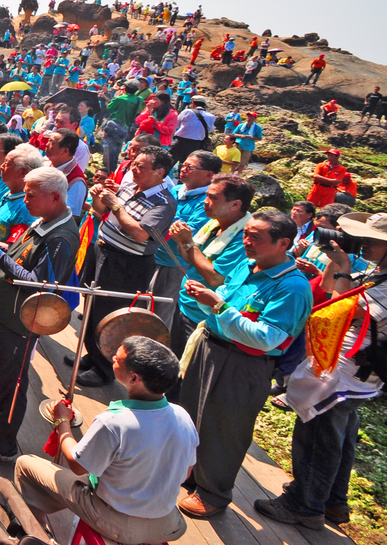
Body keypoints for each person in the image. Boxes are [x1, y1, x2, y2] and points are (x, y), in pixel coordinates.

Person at [256, 213, 387, 528]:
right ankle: (333, 503)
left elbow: (343, 309)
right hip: (349, 368)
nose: (364, 244)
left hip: (349, 372)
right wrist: (337, 265)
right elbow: (331, 290)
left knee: (318, 436)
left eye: (374, 241)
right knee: (339, 436)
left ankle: (304, 505)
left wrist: (345, 268)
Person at [176, 210, 313, 518]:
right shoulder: (247, 265)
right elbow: (222, 298)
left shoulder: (292, 287)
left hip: (244, 363)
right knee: (193, 412)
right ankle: (190, 473)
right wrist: (205, 298)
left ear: (284, 244)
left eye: (257, 237)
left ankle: (213, 493)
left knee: (226, 427)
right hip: (211, 345)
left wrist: (218, 305)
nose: (247, 242)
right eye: (246, 234)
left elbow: (268, 338)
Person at [16, 337, 197, 544]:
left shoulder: (114, 422)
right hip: (168, 524)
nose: (112, 358)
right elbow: (187, 473)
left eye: (118, 359)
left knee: (25, 465)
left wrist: (62, 422)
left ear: (134, 378)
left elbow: (77, 465)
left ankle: (40, 538)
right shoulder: (183, 416)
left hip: (118, 523)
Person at [0, 165, 79, 463]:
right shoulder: (45, 220)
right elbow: (19, 252)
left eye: (31, 196)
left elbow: (37, 282)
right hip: (3, 311)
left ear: (55, 197)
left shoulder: (61, 237)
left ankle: (2, 445)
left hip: (21, 321)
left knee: (12, 385)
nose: (25, 201)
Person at [77, 146, 178, 386]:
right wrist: (98, 197)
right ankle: (93, 353)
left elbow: (140, 234)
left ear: (159, 172)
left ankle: (105, 369)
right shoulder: (130, 186)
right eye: (134, 163)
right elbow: (102, 212)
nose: (133, 168)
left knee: (111, 314)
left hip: (126, 263)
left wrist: (115, 204)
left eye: (141, 166)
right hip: (102, 249)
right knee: (91, 304)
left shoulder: (163, 202)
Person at [164, 174, 255, 396]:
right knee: (173, 363)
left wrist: (187, 242)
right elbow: (190, 258)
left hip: (203, 315)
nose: (205, 201)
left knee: (187, 374)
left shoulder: (243, 237)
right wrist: (182, 241)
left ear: (235, 205)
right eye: (206, 195)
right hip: (186, 302)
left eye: (213, 197)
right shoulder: (214, 224)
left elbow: (215, 278)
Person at [151, 151, 224, 331]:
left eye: (190, 167)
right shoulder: (176, 190)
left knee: (160, 311)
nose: (183, 170)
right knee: (146, 301)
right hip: (153, 254)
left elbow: (188, 232)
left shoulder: (205, 201)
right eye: (183, 165)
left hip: (173, 263)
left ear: (209, 175)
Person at [170, 96, 215, 165]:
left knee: (169, 161)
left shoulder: (187, 112)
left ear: (193, 103)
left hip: (180, 141)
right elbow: (210, 130)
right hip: (196, 144)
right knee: (188, 165)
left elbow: (176, 124)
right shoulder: (211, 116)